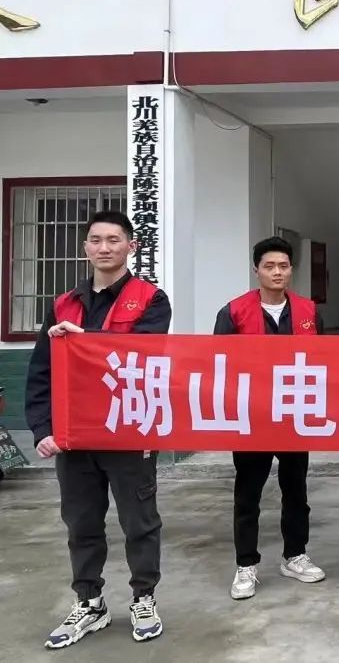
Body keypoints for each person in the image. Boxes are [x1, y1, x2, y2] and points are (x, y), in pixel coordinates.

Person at [24, 211, 172, 649]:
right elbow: (41, 371)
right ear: (85, 247)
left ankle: (143, 598)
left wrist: (84, 338)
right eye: (95, 239)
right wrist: (42, 429)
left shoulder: (151, 299)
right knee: (82, 523)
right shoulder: (64, 304)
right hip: (75, 435)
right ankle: (89, 603)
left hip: (128, 430)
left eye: (113, 239)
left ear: (131, 246)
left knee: (139, 521)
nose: (104, 247)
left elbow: (144, 354)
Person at [214, 236, 326, 601]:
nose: (277, 272)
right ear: (256, 270)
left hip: (294, 414)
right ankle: (246, 564)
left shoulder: (308, 311)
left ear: (291, 269)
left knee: (296, 491)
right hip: (252, 418)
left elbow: (325, 361)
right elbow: (219, 364)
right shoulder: (234, 312)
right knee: (248, 494)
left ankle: (295, 555)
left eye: (283, 266)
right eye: (269, 266)